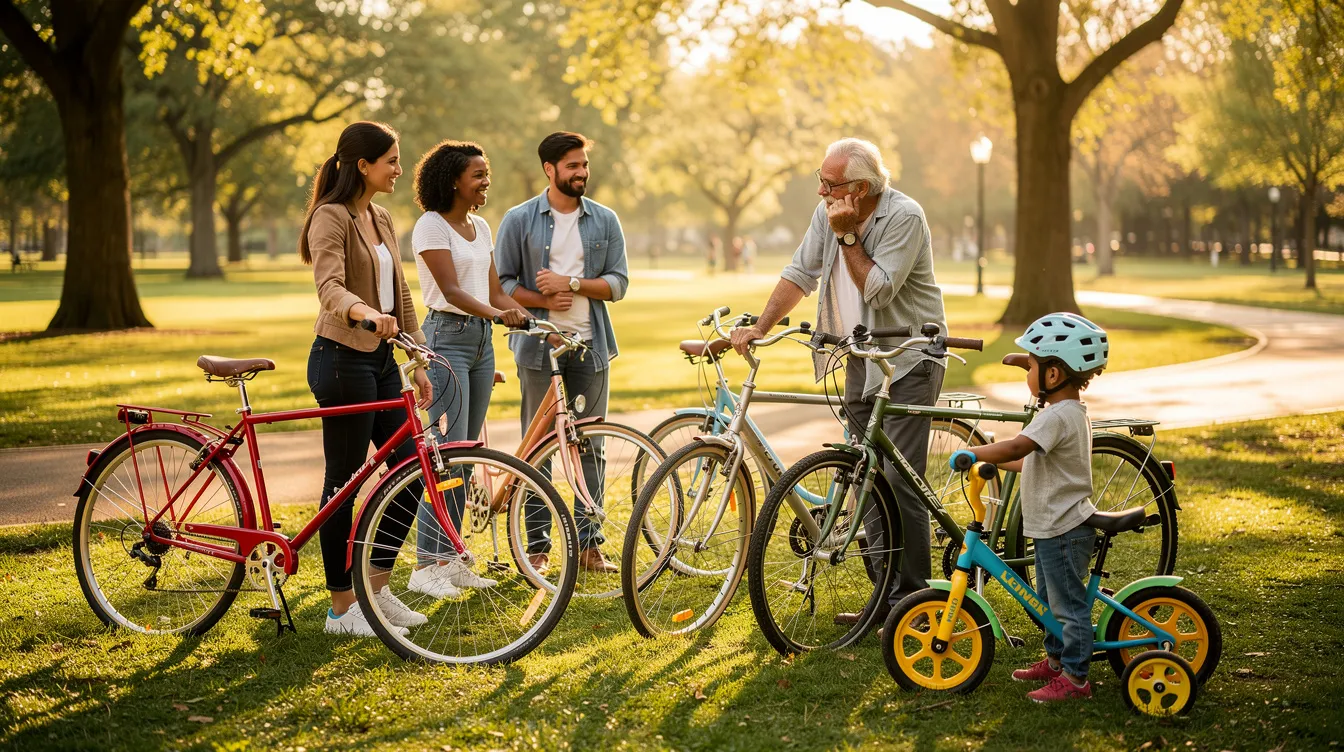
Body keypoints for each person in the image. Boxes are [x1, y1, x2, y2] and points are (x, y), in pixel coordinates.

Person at [729, 137, 946, 624]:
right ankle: (882, 600)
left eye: (830, 184)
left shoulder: (903, 217)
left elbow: (880, 288)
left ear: (862, 187)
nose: (821, 193)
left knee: (899, 480)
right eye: (820, 181)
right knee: (865, 477)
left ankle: (910, 601)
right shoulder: (829, 212)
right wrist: (762, 326)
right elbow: (800, 272)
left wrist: (848, 236)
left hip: (908, 359)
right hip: (859, 357)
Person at [300, 121, 434, 636]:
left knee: (409, 471)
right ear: (363, 165)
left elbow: (400, 297)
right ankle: (340, 608)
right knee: (345, 483)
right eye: (392, 161)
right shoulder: (329, 218)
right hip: (341, 358)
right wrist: (362, 314)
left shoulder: (380, 217)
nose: (400, 169)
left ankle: (374, 590)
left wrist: (416, 359)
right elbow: (329, 286)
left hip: (381, 361)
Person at [951, 312, 1110, 703]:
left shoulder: (1058, 416)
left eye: (1033, 367)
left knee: (1068, 607)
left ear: (1053, 376)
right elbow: (1026, 460)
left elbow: (1018, 447)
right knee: (1050, 602)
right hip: (1052, 527)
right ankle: (1056, 661)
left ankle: (1075, 679)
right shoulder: (1063, 412)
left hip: (1063, 529)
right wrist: (988, 461)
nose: (1028, 374)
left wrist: (972, 450)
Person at [495, 131, 629, 573]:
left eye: (584, 165)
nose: (581, 173)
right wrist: (542, 301)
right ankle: (537, 547)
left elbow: (618, 284)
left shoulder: (605, 220)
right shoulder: (519, 219)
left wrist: (570, 284)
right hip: (538, 349)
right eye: (572, 165)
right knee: (538, 449)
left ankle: (590, 547)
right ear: (549, 169)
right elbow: (503, 285)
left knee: (591, 446)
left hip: (590, 347)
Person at [407, 140, 529, 598]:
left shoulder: (480, 225)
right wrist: (497, 315)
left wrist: (529, 318)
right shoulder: (430, 226)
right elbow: (453, 291)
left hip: (480, 343)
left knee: (468, 449)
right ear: (454, 179)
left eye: (487, 172)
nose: (485, 180)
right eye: (478, 174)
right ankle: (426, 565)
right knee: (445, 453)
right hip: (446, 338)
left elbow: (496, 292)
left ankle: (450, 556)